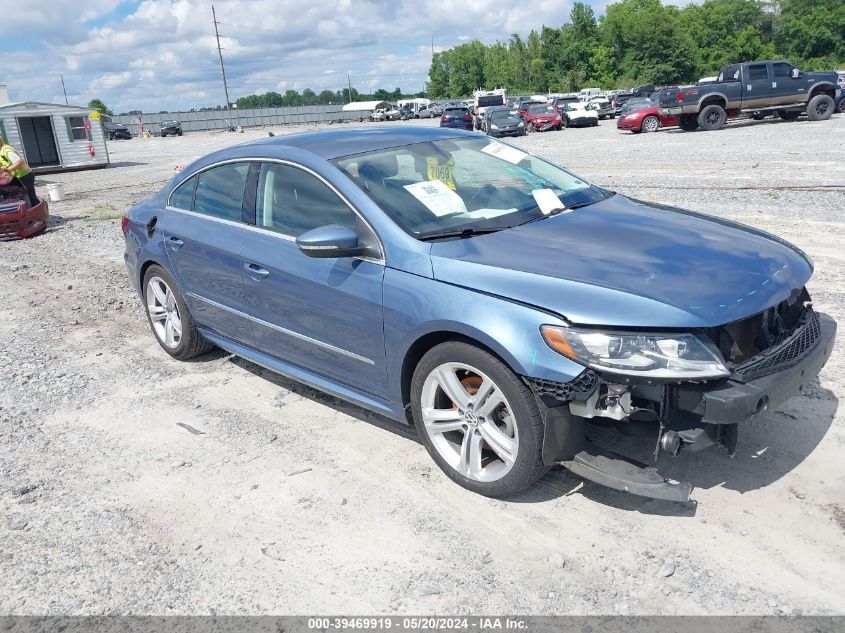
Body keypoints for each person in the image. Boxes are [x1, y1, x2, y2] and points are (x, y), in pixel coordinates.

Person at [0, 136, 39, 207]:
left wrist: (8, 170)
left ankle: (37, 213)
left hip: (24, 175)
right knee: (20, 196)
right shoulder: (1, 151)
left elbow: (19, 162)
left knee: (30, 196)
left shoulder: (6, 150)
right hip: (18, 176)